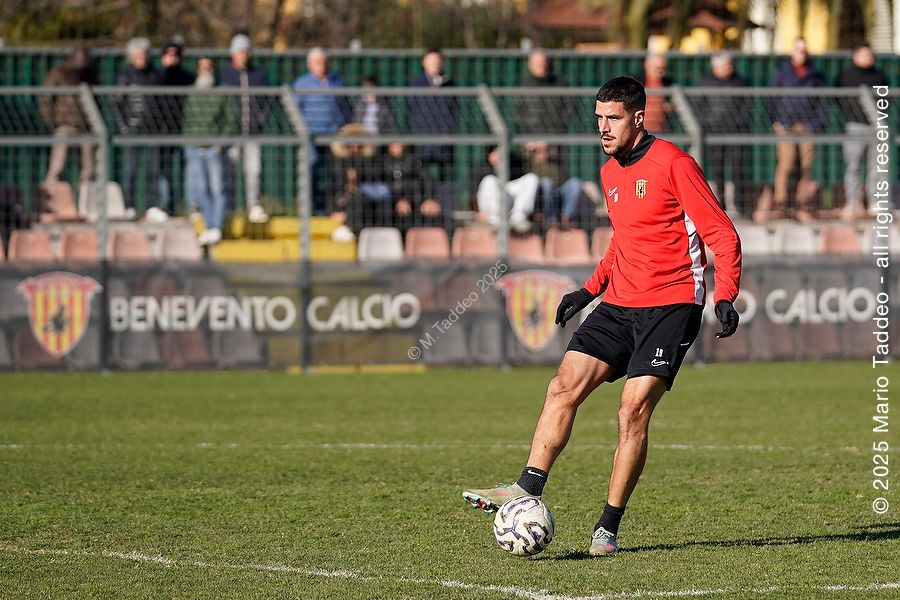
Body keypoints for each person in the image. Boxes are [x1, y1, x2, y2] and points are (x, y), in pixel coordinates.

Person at [462, 77, 742, 556]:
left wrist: (726, 294)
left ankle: (607, 528)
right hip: (619, 303)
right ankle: (525, 488)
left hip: (671, 305)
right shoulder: (610, 171)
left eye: (613, 118)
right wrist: (589, 290)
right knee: (562, 387)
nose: (604, 128)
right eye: (598, 119)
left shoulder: (675, 164)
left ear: (639, 117)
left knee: (631, 411)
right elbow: (623, 241)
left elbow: (722, 233)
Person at [755, 37, 826, 223]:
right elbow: (772, 99)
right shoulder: (782, 73)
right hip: (785, 125)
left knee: (806, 167)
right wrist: (777, 121)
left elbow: (822, 101)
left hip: (808, 125)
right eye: (798, 49)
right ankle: (781, 205)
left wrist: (815, 123)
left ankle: (802, 206)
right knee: (786, 165)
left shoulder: (815, 74)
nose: (801, 53)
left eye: (804, 50)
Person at [183, 57, 236, 245]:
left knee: (217, 188)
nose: (206, 70)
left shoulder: (222, 92)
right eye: (202, 67)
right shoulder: (191, 93)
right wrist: (189, 143)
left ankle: (216, 226)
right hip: (194, 148)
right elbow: (186, 120)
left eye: (209, 67)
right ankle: (207, 225)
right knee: (201, 189)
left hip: (213, 148)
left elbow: (231, 120)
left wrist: (220, 144)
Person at [220, 33, 270, 223]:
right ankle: (229, 207)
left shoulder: (258, 75)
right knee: (229, 171)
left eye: (246, 51)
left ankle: (253, 205)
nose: (244, 55)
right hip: (231, 134)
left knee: (254, 170)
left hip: (252, 133)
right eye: (240, 51)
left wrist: (260, 119)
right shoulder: (224, 75)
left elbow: (268, 101)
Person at [293, 47, 350, 213]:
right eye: (318, 62)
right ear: (310, 65)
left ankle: (336, 208)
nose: (322, 65)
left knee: (339, 172)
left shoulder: (337, 81)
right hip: (311, 136)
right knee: (311, 172)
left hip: (334, 135)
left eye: (324, 62)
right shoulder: (302, 84)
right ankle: (313, 210)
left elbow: (345, 106)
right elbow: (295, 109)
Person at [836, 43, 888, 220]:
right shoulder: (846, 75)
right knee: (853, 165)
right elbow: (837, 96)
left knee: (876, 166)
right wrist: (851, 111)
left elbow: (886, 100)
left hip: (876, 127)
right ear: (855, 56)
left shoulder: (878, 75)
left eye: (870, 54)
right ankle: (853, 201)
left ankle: (875, 201)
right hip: (855, 126)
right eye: (865, 54)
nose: (869, 57)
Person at [114, 37, 163, 219]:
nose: (141, 58)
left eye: (144, 54)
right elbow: (117, 103)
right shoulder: (125, 76)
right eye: (138, 55)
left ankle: (153, 206)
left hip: (152, 129)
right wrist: (124, 127)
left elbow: (163, 101)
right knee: (130, 170)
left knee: (153, 170)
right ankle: (129, 206)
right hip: (133, 129)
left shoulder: (155, 75)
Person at [697, 52, 750, 216]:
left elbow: (747, 106)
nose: (730, 68)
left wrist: (737, 123)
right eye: (726, 65)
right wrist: (708, 124)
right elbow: (699, 107)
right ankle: (720, 206)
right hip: (714, 132)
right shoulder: (705, 83)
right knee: (717, 170)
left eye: (730, 64)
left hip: (736, 132)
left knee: (738, 169)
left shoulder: (740, 82)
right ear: (715, 67)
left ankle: (740, 207)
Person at [39, 47, 97, 185]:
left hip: (85, 123)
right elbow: (46, 98)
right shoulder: (58, 73)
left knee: (88, 162)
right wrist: (51, 120)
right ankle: (52, 183)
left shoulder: (89, 75)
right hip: (64, 122)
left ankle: (86, 186)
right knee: (58, 159)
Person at [155, 38, 195, 218]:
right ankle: (166, 205)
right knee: (163, 169)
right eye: (168, 54)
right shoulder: (157, 77)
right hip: (161, 131)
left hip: (183, 129)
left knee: (188, 168)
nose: (172, 58)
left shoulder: (187, 77)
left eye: (175, 54)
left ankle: (190, 206)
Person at [409, 49, 458, 183]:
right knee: (422, 178)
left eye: (437, 60)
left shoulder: (449, 84)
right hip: (422, 139)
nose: (435, 64)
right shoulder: (416, 84)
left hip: (444, 139)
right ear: (423, 62)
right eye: (431, 60)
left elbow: (454, 110)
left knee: (445, 180)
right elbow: (411, 110)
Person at [471, 146, 539, 233]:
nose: (500, 156)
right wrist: (477, 212)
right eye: (496, 153)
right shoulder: (480, 168)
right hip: (488, 209)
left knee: (532, 178)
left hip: (508, 199)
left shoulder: (514, 163)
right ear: (489, 154)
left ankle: (518, 218)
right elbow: (472, 194)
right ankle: (496, 220)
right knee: (490, 180)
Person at [515, 49, 572, 135]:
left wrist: (555, 132)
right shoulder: (523, 86)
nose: (540, 65)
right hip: (530, 138)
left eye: (542, 61)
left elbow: (569, 107)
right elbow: (517, 112)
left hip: (555, 136)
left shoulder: (559, 84)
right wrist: (529, 136)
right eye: (536, 62)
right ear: (530, 64)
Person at [632, 53, 674, 133]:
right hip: (640, 129)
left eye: (663, 68)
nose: (661, 71)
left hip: (661, 128)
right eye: (657, 68)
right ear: (648, 66)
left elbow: (673, 104)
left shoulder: (667, 83)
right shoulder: (636, 82)